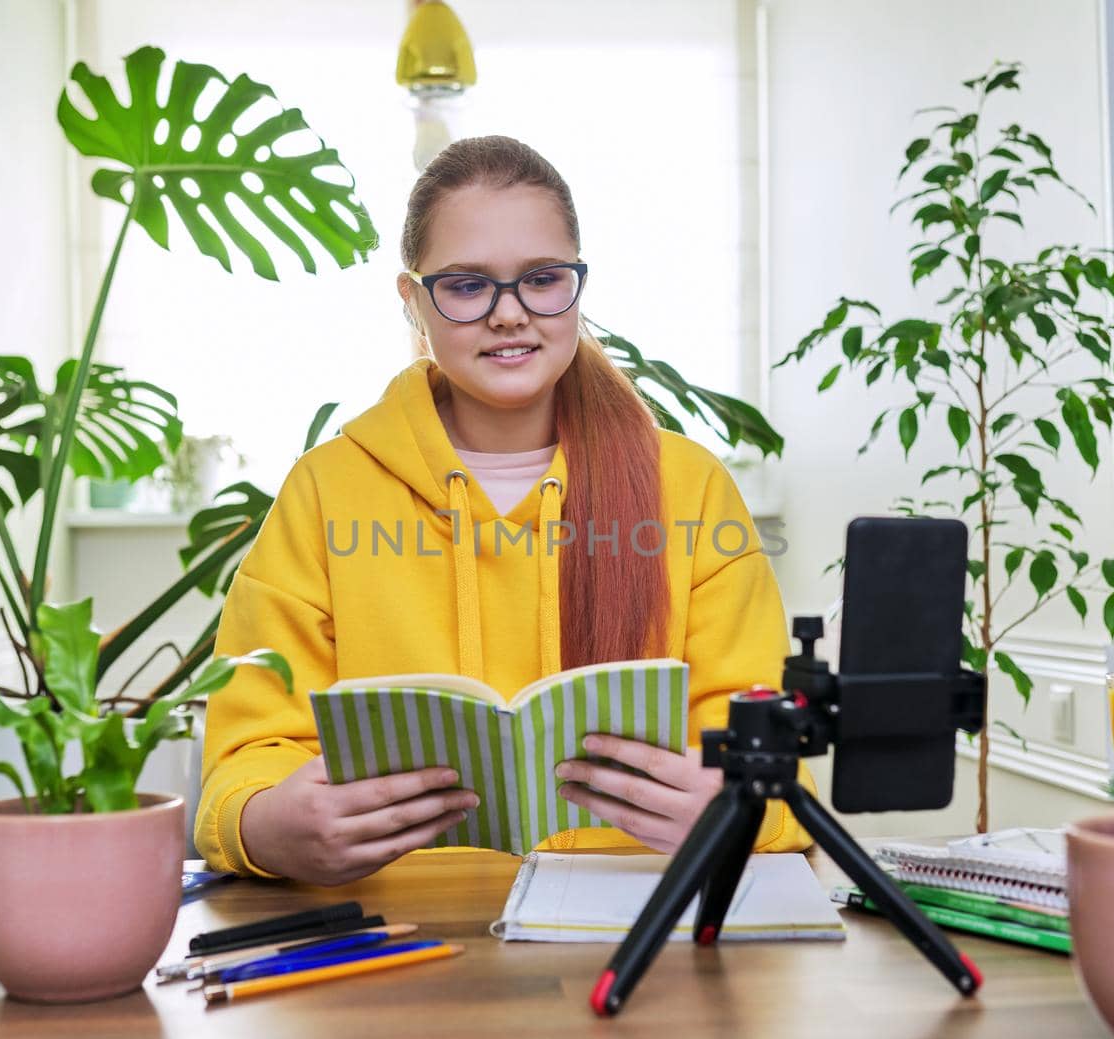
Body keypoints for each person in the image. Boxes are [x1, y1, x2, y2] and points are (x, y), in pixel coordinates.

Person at [196, 135, 811, 883]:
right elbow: (245, 763)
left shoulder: (689, 487)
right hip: (399, 939)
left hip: (641, 927)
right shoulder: (325, 491)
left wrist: (739, 804)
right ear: (413, 299)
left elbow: (780, 777)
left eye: (542, 279)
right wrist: (267, 824)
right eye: (466, 285)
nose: (510, 314)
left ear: (578, 286)